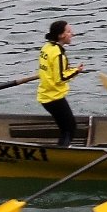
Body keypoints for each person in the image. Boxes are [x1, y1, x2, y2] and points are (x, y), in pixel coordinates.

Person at [37, 19, 85, 147]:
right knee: (69, 128)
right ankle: (63, 151)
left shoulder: (46, 47)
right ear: (61, 35)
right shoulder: (58, 54)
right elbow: (61, 78)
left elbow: (53, 70)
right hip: (53, 97)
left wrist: (70, 69)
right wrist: (77, 71)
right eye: (69, 32)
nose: (72, 34)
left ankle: (63, 148)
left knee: (65, 127)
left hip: (45, 94)